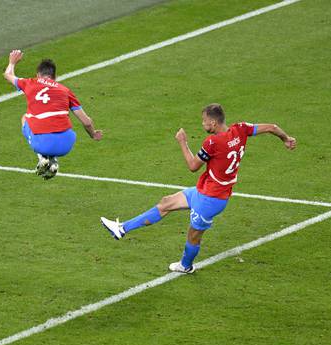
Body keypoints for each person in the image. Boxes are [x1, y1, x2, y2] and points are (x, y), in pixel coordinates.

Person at [100, 104, 296, 272]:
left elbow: (193, 166)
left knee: (194, 236)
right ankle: (122, 228)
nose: (202, 124)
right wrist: (285, 138)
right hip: (205, 191)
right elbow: (272, 127)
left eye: (203, 121)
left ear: (213, 123)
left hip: (211, 199)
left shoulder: (212, 142)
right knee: (166, 203)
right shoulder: (241, 129)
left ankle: (185, 266)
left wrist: (183, 143)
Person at [3, 49, 103, 179]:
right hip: (66, 145)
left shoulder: (30, 83)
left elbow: (8, 74)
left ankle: (42, 158)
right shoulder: (65, 90)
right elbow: (86, 121)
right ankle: (53, 161)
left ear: (38, 74)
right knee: (58, 123)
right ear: (55, 77)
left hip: (43, 144)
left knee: (25, 118)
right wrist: (93, 134)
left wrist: (12, 62)